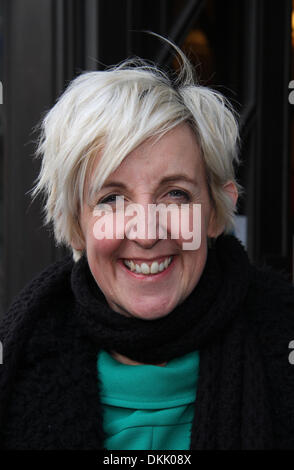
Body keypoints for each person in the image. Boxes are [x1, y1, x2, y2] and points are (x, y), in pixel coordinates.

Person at [0, 39, 294, 451]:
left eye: (175, 194)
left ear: (214, 211)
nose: (146, 233)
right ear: (76, 224)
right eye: (110, 199)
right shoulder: (17, 358)